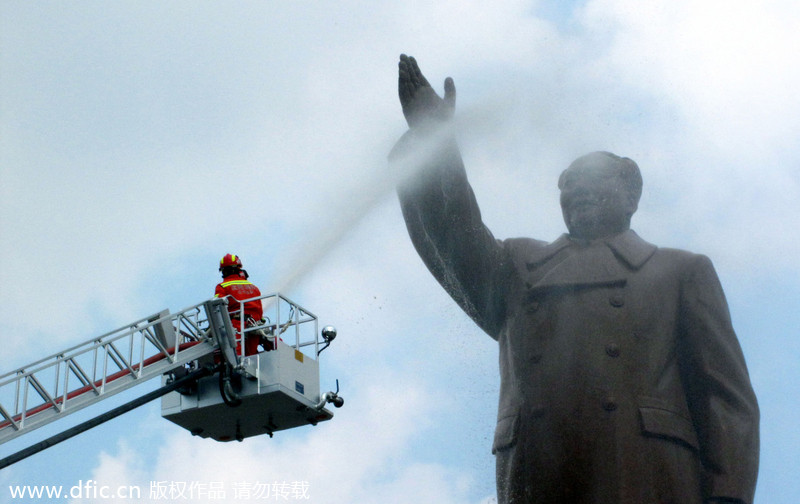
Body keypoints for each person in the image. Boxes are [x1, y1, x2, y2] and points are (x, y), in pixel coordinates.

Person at [390, 54, 759, 504]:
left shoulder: (680, 271)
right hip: (538, 474)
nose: (577, 190)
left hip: (644, 475)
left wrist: (728, 496)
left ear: (631, 195)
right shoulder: (519, 265)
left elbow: (726, 399)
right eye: (568, 184)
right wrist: (433, 142)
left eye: (592, 180)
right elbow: (452, 238)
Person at [214, 253, 264, 356]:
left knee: (235, 355)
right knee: (252, 356)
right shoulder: (254, 287)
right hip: (255, 325)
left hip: (237, 324)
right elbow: (260, 309)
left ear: (223, 271)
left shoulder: (222, 286)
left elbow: (217, 309)